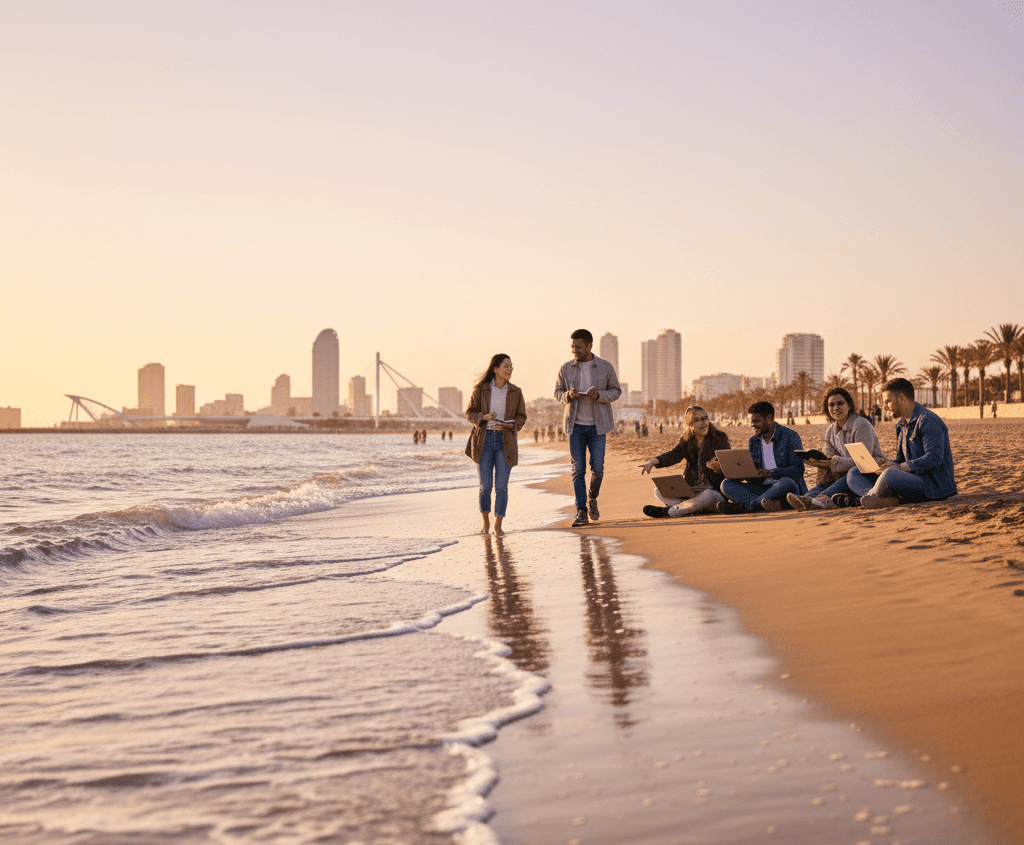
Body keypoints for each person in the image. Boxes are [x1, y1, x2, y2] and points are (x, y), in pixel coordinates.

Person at [847, 377, 957, 510]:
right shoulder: (901, 425)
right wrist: (884, 463)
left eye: (888, 401)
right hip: (911, 478)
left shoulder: (928, 420)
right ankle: (881, 498)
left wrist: (898, 468)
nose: (885, 406)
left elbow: (934, 459)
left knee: (889, 475)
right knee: (855, 472)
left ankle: (869, 497)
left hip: (933, 486)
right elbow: (901, 460)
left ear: (902, 398)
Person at [554, 329, 622, 527]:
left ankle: (592, 497)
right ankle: (581, 511)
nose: (575, 350)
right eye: (572, 346)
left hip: (598, 426)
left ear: (589, 346)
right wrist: (568, 395)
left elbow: (616, 391)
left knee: (598, 468)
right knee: (578, 470)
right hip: (574, 426)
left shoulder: (605, 366)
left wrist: (598, 396)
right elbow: (557, 392)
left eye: (578, 346)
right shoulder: (565, 368)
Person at [787, 387, 884, 510]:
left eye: (840, 403)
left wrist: (834, 462)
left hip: (868, 475)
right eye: (831, 405)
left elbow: (864, 462)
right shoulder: (830, 431)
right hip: (843, 477)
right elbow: (829, 456)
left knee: (851, 472)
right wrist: (817, 462)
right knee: (827, 479)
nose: (835, 408)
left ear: (849, 405)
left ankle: (820, 500)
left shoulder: (861, 425)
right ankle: (808, 498)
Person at [466, 354, 527, 534]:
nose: (510, 369)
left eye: (511, 366)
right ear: (496, 369)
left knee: (501, 487)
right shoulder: (481, 390)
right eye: (506, 366)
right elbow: (470, 412)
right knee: (485, 486)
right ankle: (485, 523)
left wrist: (508, 424)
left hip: (505, 442)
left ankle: (498, 525)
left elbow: (521, 417)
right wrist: (483, 417)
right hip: (483, 441)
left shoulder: (516, 392)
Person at [716, 401, 806, 514]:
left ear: (769, 418)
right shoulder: (753, 441)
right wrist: (741, 473)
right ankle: (769, 504)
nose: (752, 425)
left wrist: (772, 473)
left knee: (787, 482)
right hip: (763, 489)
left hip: (786, 489)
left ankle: (747, 506)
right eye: (751, 421)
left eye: (756, 421)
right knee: (726, 484)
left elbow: (798, 470)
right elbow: (754, 477)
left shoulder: (790, 436)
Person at [639, 405, 730, 517]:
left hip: (713, 494)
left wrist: (719, 467)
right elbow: (673, 455)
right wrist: (654, 461)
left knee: (707, 495)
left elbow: (729, 462)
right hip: (691, 493)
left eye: (704, 418)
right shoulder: (686, 441)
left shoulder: (720, 438)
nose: (703, 423)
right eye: (696, 420)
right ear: (690, 425)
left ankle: (670, 512)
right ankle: (691, 509)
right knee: (658, 490)